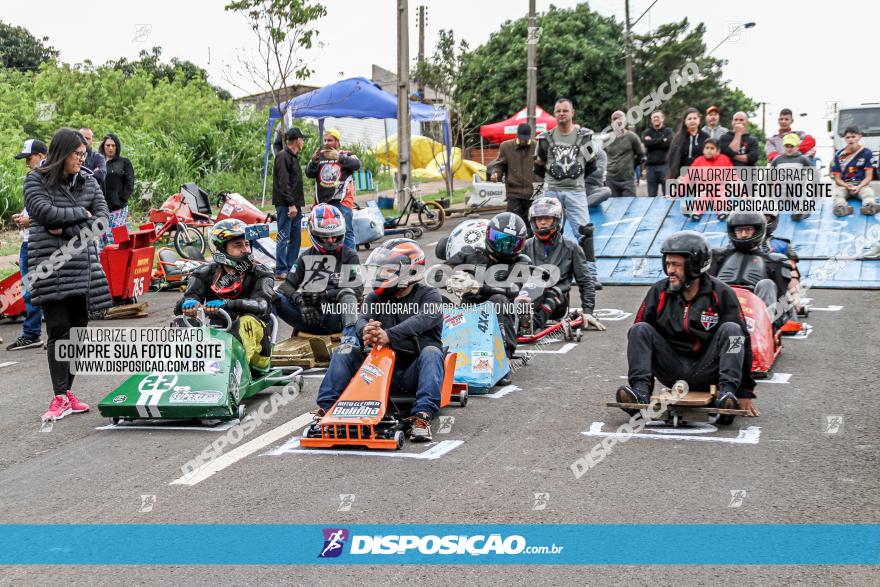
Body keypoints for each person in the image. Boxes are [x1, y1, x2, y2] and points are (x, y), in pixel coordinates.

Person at [312, 239, 443, 442]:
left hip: (412, 373)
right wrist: (366, 330)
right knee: (344, 349)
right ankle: (328, 409)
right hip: (376, 370)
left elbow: (424, 319)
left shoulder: (430, 295)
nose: (381, 275)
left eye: (388, 271)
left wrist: (389, 335)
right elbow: (362, 318)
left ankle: (421, 416)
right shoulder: (376, 298)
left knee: (432, 352)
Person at [616, 231, 758, 416]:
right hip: (672, 369)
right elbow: (639, 339)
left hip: (708, 369)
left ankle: (727, 396)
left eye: (676, 265)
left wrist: (744, 391)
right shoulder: (659, 292)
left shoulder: (721, 293)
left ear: (694, 265)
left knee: (733, 331)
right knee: (639, 329)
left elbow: (742, 342)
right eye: (667, 264)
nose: (670, 271)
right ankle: (640, 395)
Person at [25, 128, 112, 421]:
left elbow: (102, 222)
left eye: (84, 154)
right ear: (62, 153)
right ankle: (59, 396)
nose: (81, 158)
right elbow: (43, 213)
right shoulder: (36, 179)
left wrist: (68, 228)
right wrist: (82, 216)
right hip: (51, 267)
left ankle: (67, 392)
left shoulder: (88, 181)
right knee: (58, 329)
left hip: (83, 267)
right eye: (77, 154)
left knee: (78, 330)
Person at [174, 219, 276, 376]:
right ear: (220, 249)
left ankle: (232, 376)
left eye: (247, 244)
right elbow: (184, 302)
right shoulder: (204, 272)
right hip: (219, 340)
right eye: (238, 245)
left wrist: (227, 303)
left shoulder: (262, 272)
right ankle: (180, 372)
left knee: (246, 321)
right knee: (182, 320)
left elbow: (262, 305)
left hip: (257, 348)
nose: (245, 250)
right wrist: (189, 303)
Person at [445, 212, 533, 380]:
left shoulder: (522, 262)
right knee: (434, 299)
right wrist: (452, 279)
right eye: (498, 239)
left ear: (520, 245)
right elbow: (439, 273)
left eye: (510, 243)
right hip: (466, 311)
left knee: (498, 301)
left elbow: (512, 289)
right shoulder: (471, 254)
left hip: (498, 317)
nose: (503, 246)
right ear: (488, 234)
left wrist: (477, 287)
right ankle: (436, 354)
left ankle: (504, 358)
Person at [275, 204, 362, 344]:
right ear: (314, 234)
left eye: (334, 237)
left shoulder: (349, 256)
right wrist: (301, 302)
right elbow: (285, 287)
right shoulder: (305, 257)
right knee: (271, 297)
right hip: (309, 316)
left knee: (348, 295)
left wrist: (325, 295)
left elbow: (356, 291)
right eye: (325, 237)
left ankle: (351, 344)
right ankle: (264, 350)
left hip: (337, 317)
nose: (330, 241)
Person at [534, 98, 598, 281]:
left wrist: (575, 179)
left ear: (572, 113)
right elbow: (538, 166)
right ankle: (550, 272)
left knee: (585, 231)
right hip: (552, 190)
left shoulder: (585, 137)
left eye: (565, 110)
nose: (561, 113)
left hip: (575, 191)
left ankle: (591, 274)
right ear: (554, 114)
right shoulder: (545, 138)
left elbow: (591, 164)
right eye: (558, 111)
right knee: (549, 231)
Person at [521, 197, 605, 332]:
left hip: (557, 303)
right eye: (538, 219)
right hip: (529, 299)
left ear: (556, 219)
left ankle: (531, 326)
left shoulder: (571, 248)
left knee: (553, 292)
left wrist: (588, 311)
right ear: (533, 221)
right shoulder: (525, 246)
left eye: (547, 218)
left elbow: (586, 281)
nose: (542, 222)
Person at [709, 212, 794, 326]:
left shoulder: (775, 262)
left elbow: (783, 300)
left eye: (748, 230)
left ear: (758, 230)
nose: (743, 235)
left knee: (766, 284)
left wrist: (783, 320)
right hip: (722, 313)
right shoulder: (718, 256)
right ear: (732, 231)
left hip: (756, 319)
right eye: (739, 230)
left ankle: (764, 326)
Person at [7, 139, 47, 351]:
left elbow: (52, 209)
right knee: (32, 288)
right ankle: (37, 333)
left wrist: (29, 220)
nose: (27, 163)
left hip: (37, 241)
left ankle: (34, 333)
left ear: (41, 156)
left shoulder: (46, 176)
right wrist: (24, 217)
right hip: (30, 240)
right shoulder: (37, 177)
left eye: (28, 158)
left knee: (35, 289)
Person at [305, 128, 361, 250]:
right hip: (322, 204)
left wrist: (340, 157)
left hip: (342, 203)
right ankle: (325, 262)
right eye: (325, 140)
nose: (326, 143)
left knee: (347, 233)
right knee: (319, 234)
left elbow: (357, 165)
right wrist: (313, 162)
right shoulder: (320, 156)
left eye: (330, 140)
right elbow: (309, 174)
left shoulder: (346, 155)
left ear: (337, 142)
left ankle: (350, 265)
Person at [488, 122, 540, 232]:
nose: (524, 141)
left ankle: (532, 245)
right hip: (514, 190)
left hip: (535, 190)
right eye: (521, 138)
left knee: (534, 223)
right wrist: (496, 174)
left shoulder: (537, 146)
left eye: (526, 139)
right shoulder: (506, 147)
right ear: (517, 135)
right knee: (513, 223)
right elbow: (499, 165)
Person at [272, 127, 307, 280]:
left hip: (295, 205)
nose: (304, 142)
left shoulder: (293, 157)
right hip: (286, 205)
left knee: (296, 238)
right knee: (284, 236)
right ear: (298, 140)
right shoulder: (282, 156)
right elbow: (283, 183)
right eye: (303, 139)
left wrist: (296, 204)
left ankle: (291, 267)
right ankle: (280, 269)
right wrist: (290, 204)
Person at [830, 126, 876, 216]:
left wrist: (858, 187)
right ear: (845, 139)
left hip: (861, 185)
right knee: (837, 193)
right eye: (848, 137)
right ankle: (841, 208)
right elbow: (837, 179)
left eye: (853, 136)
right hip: (845, 186)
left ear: (859, 137)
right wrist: (847, 186)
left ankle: (869, 207)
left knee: (868, 193)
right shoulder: (839, 154)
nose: (851, 139)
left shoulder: (867, 153)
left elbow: (869, 176)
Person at [684, 138, 734, 221]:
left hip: (719, 187)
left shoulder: (724, 159)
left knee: (721, 198)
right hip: (704, 188)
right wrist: (676, 194)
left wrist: (742, 194)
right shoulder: (698, 161)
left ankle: (722, 212)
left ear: (718, 150)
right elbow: (688, 177)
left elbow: (734, 176)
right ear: (703, 150)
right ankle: (696, 213)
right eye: (707, 148)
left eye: (712, 148)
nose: (709, 150)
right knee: (702, 198)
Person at [98, 133, 135, 238]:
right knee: (101, 237)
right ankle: (102, 255)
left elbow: (130, 183)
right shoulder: (99, 163)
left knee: (113, 236)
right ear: (103, 146)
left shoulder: (124, 162)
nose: (110, 148)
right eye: (108, 145)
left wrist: (120, 199)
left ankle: (117, 254)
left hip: (119, 208)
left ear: (117, 147)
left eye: (113, 145)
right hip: (102, 208)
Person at [770, 133, 814, 221]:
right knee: (773, 203)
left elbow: (813, 172)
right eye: (787, 146)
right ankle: (769, 215)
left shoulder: (802, 159)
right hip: (781, 189)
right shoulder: (777, 160)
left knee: (799, 199)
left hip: (796, 189)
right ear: (783, 146)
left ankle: (800, 213)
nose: (789, 148)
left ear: (797, 146)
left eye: (792, 146)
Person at [604, 111, 646, 197]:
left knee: (630, 207)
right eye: (614, 119)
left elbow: (641, 156)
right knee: (612, 207)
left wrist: (631, 166)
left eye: (620, 118)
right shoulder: (607, 139)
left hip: (628, 180)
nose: (617, 121)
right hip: (611, 179)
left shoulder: (632, 137)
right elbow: (601, 156)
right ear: (612, 122)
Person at [666, 107, 709, 179]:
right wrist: (676, 176)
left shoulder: (706, 137)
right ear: (685, 121)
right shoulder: (678, 138)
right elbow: (672, 159)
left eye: (695, 118)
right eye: (689, 119)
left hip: (702, 177)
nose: (692, 121)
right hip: (682, 176)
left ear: (699, 120)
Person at [642, 110, 674, 197]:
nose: (656, 118)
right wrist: (662, 140)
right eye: (654, 117)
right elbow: (646, 143)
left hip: (665, 166)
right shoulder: (647, 132)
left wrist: (652, 141)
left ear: (662, 119)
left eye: (658, 117)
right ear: (651, 120)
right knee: (651, 196)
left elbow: (669, 143)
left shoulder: (668, 131)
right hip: (651, 167)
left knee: (668, 195)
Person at [585, 143, 612, 208]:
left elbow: (599, 172)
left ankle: (580, 206)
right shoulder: (574, 153)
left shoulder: (600, 153)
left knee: (607, 191)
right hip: (577, 187)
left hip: (593, 187)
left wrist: (584, 170)